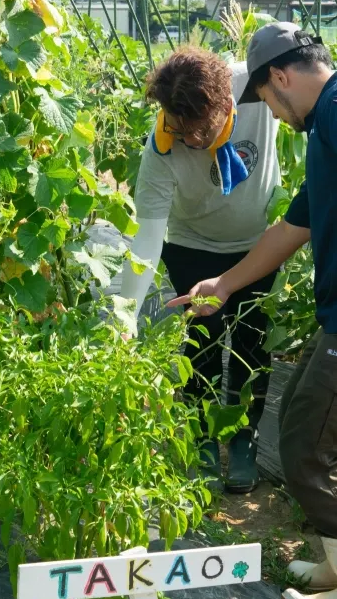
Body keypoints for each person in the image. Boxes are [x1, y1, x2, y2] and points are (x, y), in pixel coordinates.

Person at [168, 23, 337, 599]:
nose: (267, 108)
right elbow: (293, 229)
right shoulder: (324, 130)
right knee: (299, 422)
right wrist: (223, 283)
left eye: (263, 95)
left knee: (311, 447)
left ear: (282, 77)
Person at [114, 45, 281, 493]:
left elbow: (310, 82)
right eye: (179, 130)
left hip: (258, 246)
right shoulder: (160, 151)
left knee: (253, 342)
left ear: (225, 104)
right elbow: (147, 239)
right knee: (202, 348)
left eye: (198, 132)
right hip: (192, 246)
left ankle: (244, 435)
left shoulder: (256, 85)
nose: (188, 141)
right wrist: (125, 314)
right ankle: (204, 437)